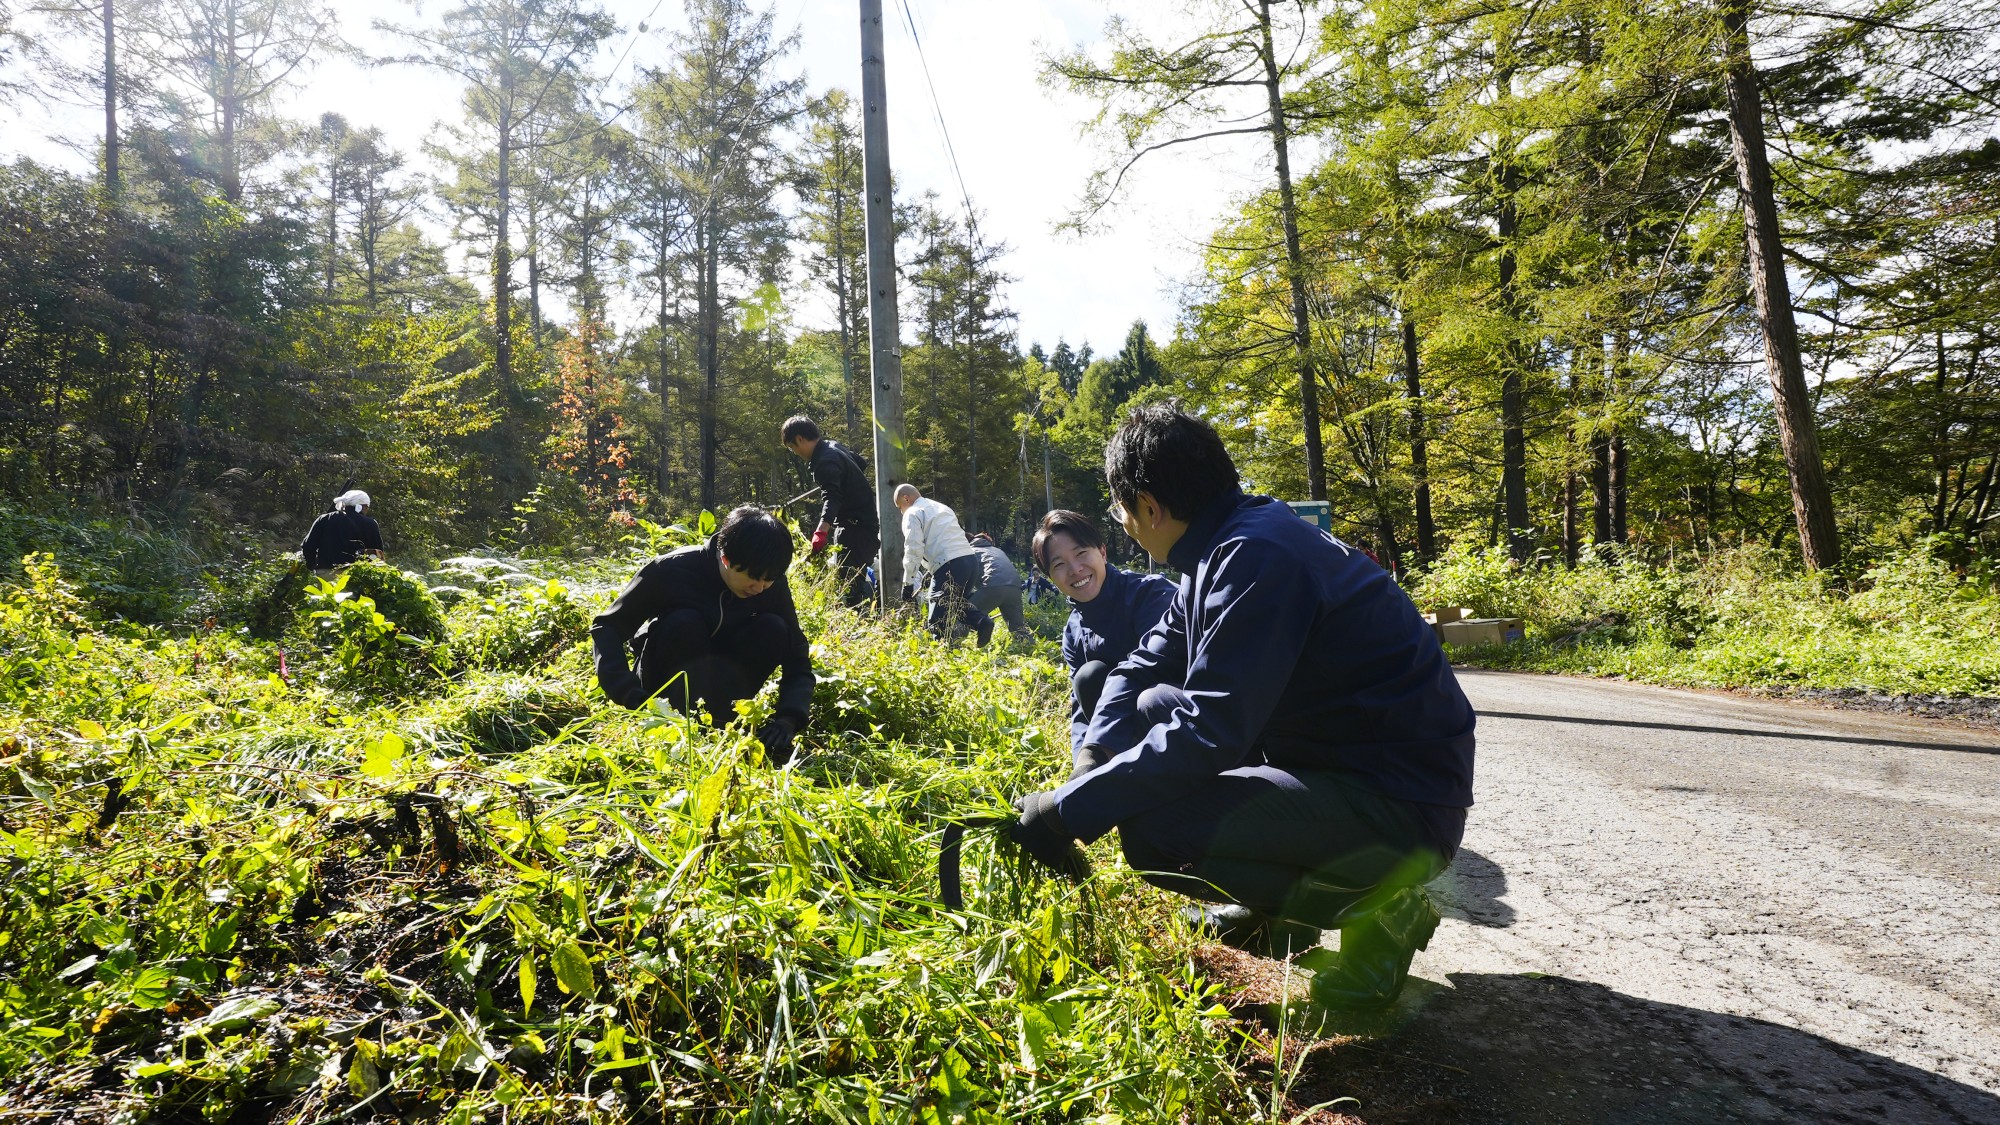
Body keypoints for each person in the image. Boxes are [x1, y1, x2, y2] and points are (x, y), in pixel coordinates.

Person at [1006, 404, 1476, 1012]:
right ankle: (1276, 910)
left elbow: (1210, 733)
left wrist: (1068, 812)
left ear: (1149, 506)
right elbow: (1140, 668)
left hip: (1399, 802)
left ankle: (1382, 908)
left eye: (1122, 510)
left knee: (1155, 830)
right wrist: (1091, 757)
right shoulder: (1223, 549)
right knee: (1152, 703)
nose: (1124, 525)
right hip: (1339, 765)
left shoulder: (1256, 557)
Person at [590, 505, 814, 766]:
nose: (760, 587)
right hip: (664, 689)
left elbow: (797, 654)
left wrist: (789, 717)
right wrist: (629, 693)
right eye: (752, 577)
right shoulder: (671, 570)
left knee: (773, 627)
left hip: (725, 689)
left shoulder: (769, 586)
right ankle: (679, 722)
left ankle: (722, 719)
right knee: (685, 622)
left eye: (769, 579)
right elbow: (608, 627)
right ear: (726, 558)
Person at [1031, 510, 1176, 779]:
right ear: (1050, 577)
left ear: (1102, 552)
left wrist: (1097, 748)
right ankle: (1116, 779)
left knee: (1149, 696)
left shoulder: (1151, 594)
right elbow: (1081, 708)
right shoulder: (1073, 631)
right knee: (1089, 677)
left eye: (1081, 553)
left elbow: (1150, 668)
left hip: (1177, 716)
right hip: (1123, 732)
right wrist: (1082, 767)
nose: (1075, 570)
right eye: (1059, 565)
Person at [781, 415, 879, 609]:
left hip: (853, 530)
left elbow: (832, 498)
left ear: (800, 439)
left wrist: (820, 532)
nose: (796, 453)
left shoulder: (824, 462)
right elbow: (860, 463)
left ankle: (858, 627)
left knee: (849, 588)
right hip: (868, 525)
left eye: (793, 447)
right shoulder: (834, 446)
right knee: (855, 581)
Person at [893, 484, 982, 639]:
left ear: (906, 499)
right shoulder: (942, 507)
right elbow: (945, 542)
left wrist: (907, 584)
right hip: (970, 561)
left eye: (900, 507)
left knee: (937, 621)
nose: (901, 512)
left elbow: (913, 549)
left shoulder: (912, 513)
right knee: (954, 606)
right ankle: (982, 622)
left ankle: (942, 656)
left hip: (949, 565)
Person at [965, 532, 1032, 647]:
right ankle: (1029, 648)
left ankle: (953, 648)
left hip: (992, 586)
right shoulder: (998, 551)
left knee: (964, 616)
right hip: (1015, 588)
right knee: (1018, 627)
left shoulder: (969, 551)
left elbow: (965, 577)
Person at [300, 490, 384, 577]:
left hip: (325, 574)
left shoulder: (324, 519)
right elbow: (377, 553)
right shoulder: (370, 523)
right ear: (364, 506)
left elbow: (308, 546)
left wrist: (313, 567)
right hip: (356, 576)